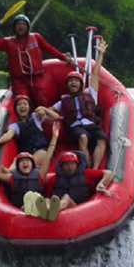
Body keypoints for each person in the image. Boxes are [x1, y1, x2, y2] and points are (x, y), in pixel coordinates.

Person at [0, 14, 72, 106]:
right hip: (19, 80)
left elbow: (50, 49)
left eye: (23, 24)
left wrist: (63, 57)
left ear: (28, 26)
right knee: (22, 101)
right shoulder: (7, 42)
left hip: (36, 78)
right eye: (18, 24)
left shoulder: (36, 37)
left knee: (41, 101)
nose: (21, 26)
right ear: (14, 27)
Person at [49, 37, 108, 168]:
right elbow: (50, 110)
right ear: (67, 85)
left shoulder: (90, 93)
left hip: (91, 124)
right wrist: (56, 116)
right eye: (70, 81)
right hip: (75, 127)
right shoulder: (63, 101)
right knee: (83, 137)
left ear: (81, 84)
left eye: (76, 81)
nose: (73, 83)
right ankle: (87, 165)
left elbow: (95, 75)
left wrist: (100, 55)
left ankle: (95, 167)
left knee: (102, 138)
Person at [0, 121, 61, 220]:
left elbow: (48, 156)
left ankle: (48, 210)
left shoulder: (40, 174)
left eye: (27, 161)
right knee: (28, 201)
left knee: (47, 200)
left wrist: (54, 137)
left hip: (40, 202)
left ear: (33, 165)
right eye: (22, 162)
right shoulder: (13, 177)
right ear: (18, 166)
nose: (25, 163)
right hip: (23, 208)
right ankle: (39, 211)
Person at [0, 94, 57, 167]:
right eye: (19, 105)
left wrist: (45, 109)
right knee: (18, 161)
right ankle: (8, 173)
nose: (22, 106)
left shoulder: (35, 117)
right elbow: (9, 135)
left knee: (36, 157)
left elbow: (56, 117)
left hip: (41, 150)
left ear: (29, 107)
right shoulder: (15, 126)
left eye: (25, 104)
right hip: (26, 155)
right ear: (16, 109)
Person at [47, 151, 114, 216]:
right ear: (62, 166)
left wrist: (102, 183)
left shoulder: (86, 174)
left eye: (72, 164)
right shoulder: (54, 180)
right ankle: (48, 210)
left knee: (66, 198)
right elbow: (48, 195)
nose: (70, 167)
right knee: (47, 200)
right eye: (66, 164)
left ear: (77, 164)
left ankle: (52, 210)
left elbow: (109, 173)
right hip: (62, 210)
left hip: (81, 210)